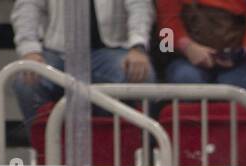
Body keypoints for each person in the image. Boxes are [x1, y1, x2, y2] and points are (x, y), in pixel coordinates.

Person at [10, 0, 156, 126]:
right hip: (59, 52)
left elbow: (139, 5)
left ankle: (137, 152)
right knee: (25, 83)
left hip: (110, 50)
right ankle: (46, 150)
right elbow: (27, 6)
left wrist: (137, 46)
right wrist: (29, 50)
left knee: (145, 76)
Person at [157, 0, 246, 92]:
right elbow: (165, 29)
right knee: (187, 80)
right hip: (186, 60)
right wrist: (188, 47)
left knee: (235, 86)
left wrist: (243, 52)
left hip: (240, 60)